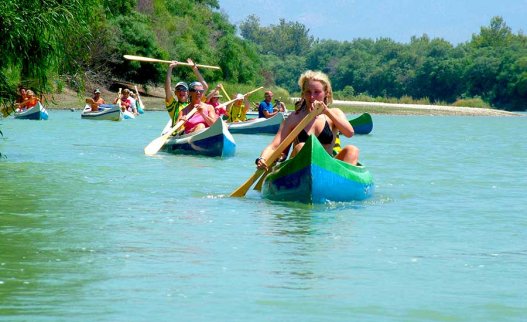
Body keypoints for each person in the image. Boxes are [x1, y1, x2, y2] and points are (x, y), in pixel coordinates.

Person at [255, 70, 359, 170]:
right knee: (301, 146)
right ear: (303, 93)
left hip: (325, 167)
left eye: (317, 92)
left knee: (352, 150)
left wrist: (326, 111)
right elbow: (274, 146)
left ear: (326, 93)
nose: (312, 96)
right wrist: (262, 159)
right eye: (308, 92)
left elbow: (349, 133)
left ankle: (340, 185)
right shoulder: (294, 117)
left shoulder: (334, 113)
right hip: (299, 168)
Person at [165, 58, 208, 126]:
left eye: (184, 89)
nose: (181, 91)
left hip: (191, 130)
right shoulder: (173, 105)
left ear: (188, 92)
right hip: (178, 133)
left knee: (201, 126)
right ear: (175, 93)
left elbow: (205, 87)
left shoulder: (194, 101)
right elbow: (167, 88)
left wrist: (194, 69)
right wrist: (170, 68)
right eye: (179, 89)